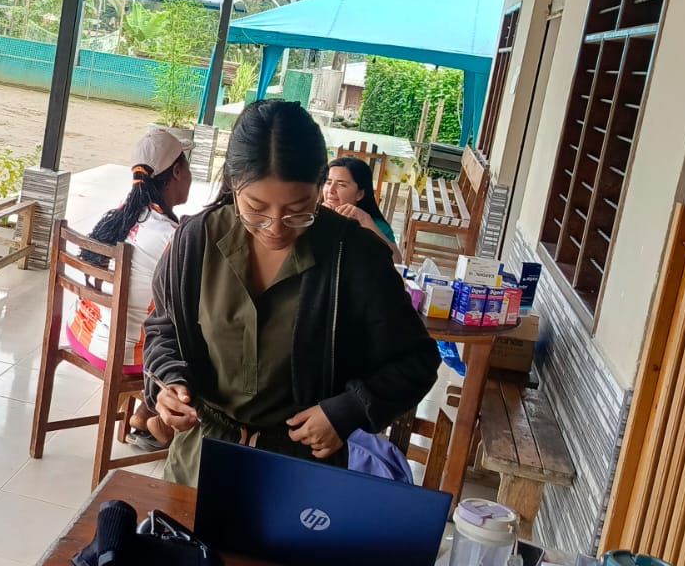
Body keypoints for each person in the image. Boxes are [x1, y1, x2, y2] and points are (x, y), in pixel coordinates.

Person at [141, 100, 440, 487]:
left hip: (301, 469)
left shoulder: (354, 256)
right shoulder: (196, 240)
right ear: (233, 183)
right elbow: (164, 329)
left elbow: (415, 361)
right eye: (256, 208)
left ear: (321, 187)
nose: (276, 228)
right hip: (200, 459)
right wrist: (167, 383)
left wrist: (347, 410)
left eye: (299, 210)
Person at [68, 129, 192, 452]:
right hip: (121, 354)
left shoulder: (121, 215)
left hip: (84, 334)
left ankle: (144, 415)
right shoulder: (172, 236)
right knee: (191, 335)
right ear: (177, 172)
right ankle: (161, 419)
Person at [323, 156, 405, 264]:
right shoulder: (312, 216)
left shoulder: (374, 225)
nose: (331, 190)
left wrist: (365, 221)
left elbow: (396, 263)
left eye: (341, 185)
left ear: (360, 194)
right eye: (328, 182)